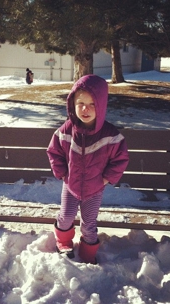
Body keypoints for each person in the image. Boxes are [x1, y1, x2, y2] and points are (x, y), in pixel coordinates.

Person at [47, 74, 129, 264]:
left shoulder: (110, 135)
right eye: (80, 103)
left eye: (92, 104)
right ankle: (63, 242)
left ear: (101, 105)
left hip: (95, 189)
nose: (85, 109)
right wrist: (62, 173)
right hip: (71, 185)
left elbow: (121, 158)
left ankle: (87, 253)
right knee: (66, 217)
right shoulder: (66, 130)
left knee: (89, 224)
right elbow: (54, 151)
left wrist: (106, 178)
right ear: (72, 104)